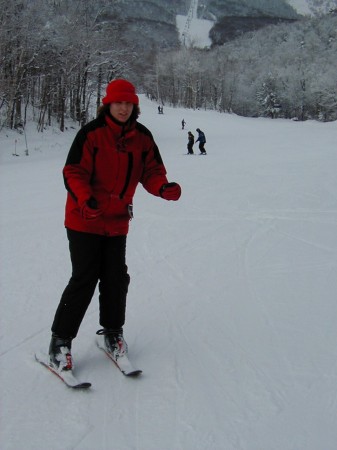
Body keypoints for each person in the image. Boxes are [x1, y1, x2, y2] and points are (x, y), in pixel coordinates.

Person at [48, 79, 182, 373]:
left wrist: (162, 187)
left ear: (135, 106)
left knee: (115, 278)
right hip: (85, 218)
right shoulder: (92, 134)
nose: (123, 108)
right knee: (84, 278)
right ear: (107, 104)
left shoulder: (142, 137)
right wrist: (86, 199)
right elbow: (73, 171)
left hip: (117, 221)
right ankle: (60, 342)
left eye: (128, 103)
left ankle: (112, 333)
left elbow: (152, 170)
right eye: (118, 103)